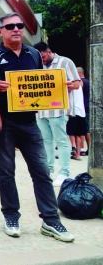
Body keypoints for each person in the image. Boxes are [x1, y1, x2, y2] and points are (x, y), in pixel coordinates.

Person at [0, 13, 74, 242]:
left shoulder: (34, 54)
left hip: (31, 123)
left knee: (42, 172)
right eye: (10, 26)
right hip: (5, 125)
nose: (16, 29)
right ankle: (11, 216)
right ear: (0, 31)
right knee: (6, 172)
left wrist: (62, 88)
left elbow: (41, 85)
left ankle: (51, 220)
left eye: (19, 25)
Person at [32, 42, 81, 186]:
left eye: (43, 56)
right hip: (41, 110)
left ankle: (64, 173)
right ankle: (49, 170)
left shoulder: (65, 62)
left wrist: (68, 85)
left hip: (58, 109)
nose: (42, 60)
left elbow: (77, 84)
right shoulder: (37, 64)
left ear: (49, 51)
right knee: (46, 141)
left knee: (61, 141)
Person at [67, 68, 87, 161]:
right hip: (81, 111)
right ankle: (77, 154)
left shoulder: (71, 84)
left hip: (73, 111)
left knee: (71, 132)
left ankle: (73, 147)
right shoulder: (81, 83)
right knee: (79, 134)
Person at [77, 67, 90, 156]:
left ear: (79, 73)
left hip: (83, 107)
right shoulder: (88, 81)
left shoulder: (81, 82)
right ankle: (88, 148)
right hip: (88, 105)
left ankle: (83, 148)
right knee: (86, 129)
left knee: (84, 130)